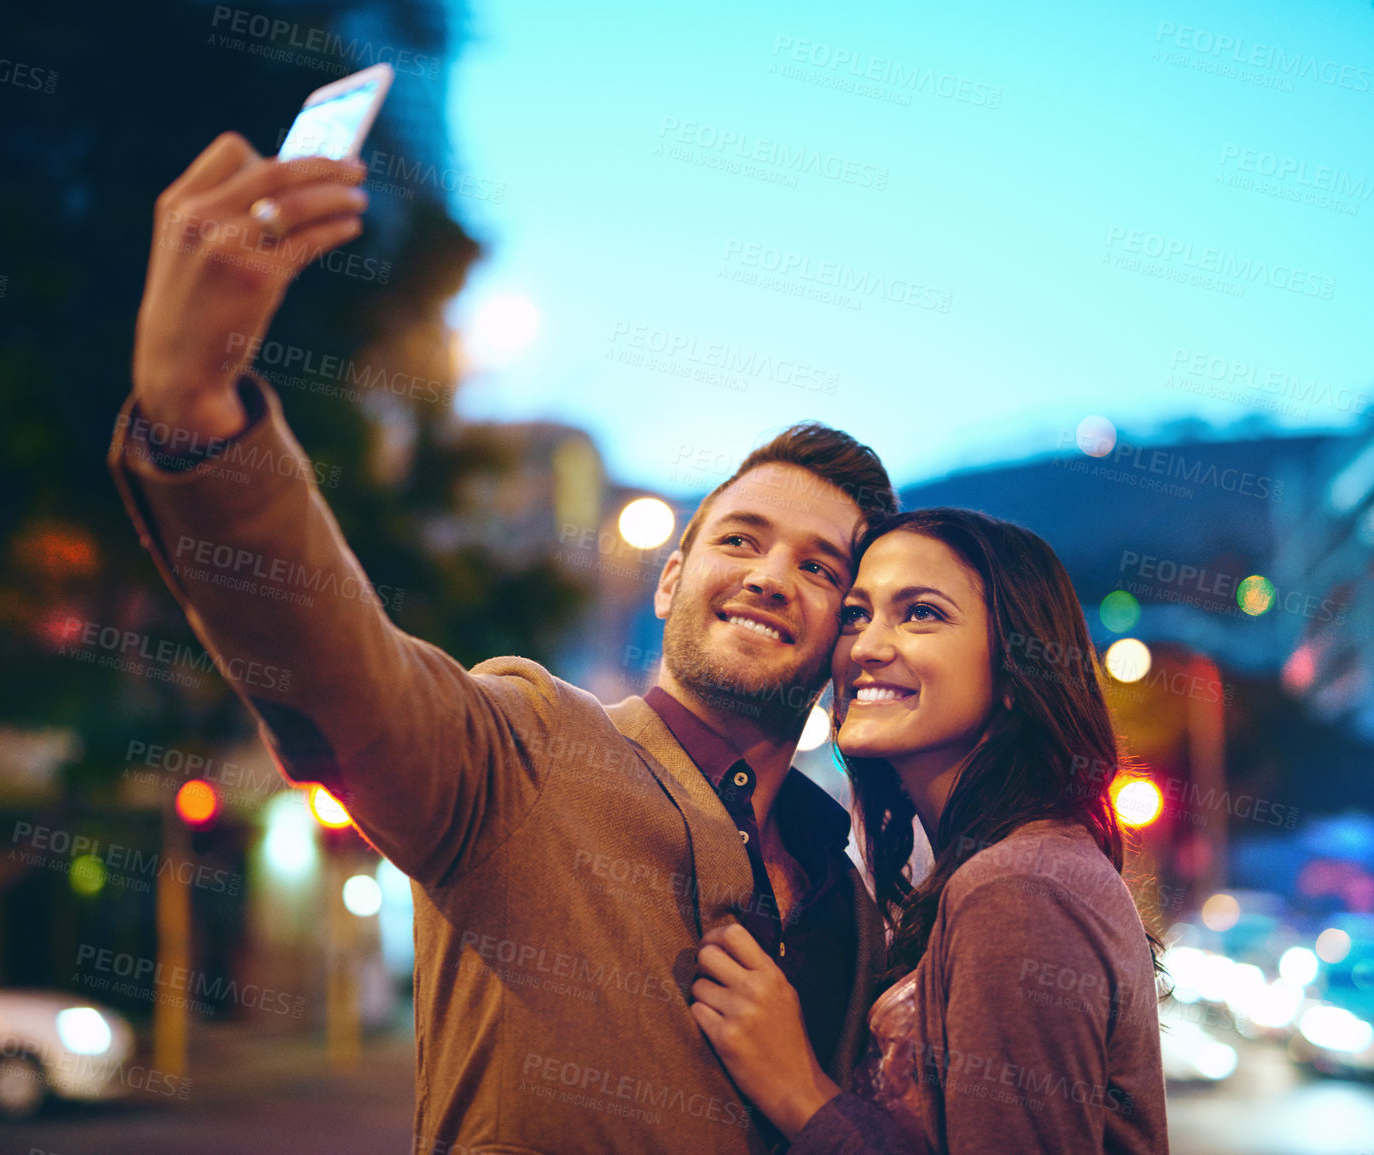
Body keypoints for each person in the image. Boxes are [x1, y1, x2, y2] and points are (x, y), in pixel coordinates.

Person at [108, 134, 899, 1154]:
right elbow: (345, 671)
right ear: (671, 579)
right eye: (740, 539)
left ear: (847, 625)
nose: (769, 575)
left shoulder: (847, 888)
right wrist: (200, 422)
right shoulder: (522, 751)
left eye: (821, 567)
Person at [689, 508, 1169, 1154]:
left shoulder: (1018, 887)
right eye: (855, 615)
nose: (865, 646)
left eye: (920, 613)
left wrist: (797, 1089)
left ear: (1014, 671)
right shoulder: (1013, 868)